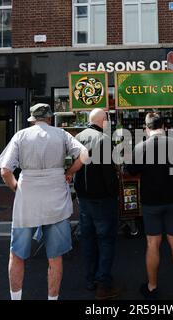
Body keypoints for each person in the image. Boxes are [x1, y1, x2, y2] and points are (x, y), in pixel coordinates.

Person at [0, 103, 88, 300]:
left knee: (17, 254)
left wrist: (16, 188)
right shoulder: (61, 134)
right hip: (56, 197)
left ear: (32, 119)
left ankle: (16, 298)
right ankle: (52, 298)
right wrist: (69, 172)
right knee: (55, 256)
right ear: (50, 118)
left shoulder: (21, 136)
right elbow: (84, 155)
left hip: (27, 198)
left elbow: (5, 171)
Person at [126, 113, 173, 300]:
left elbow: (130, 170)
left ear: (146, 128)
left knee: (153, 244)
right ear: (165, 127)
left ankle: (152, 287)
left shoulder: (140, 147)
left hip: (151, 202)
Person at [74, 109, 120, 300]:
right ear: (103, 121)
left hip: (83, 198)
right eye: (107, 119)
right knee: (106, 240)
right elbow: (108, 174)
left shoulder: (78, 137)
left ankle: (89, 279)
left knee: (88, 239)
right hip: (102, 198)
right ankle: (104, 283)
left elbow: (74, 166)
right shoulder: (103, 139)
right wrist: (114, 193)